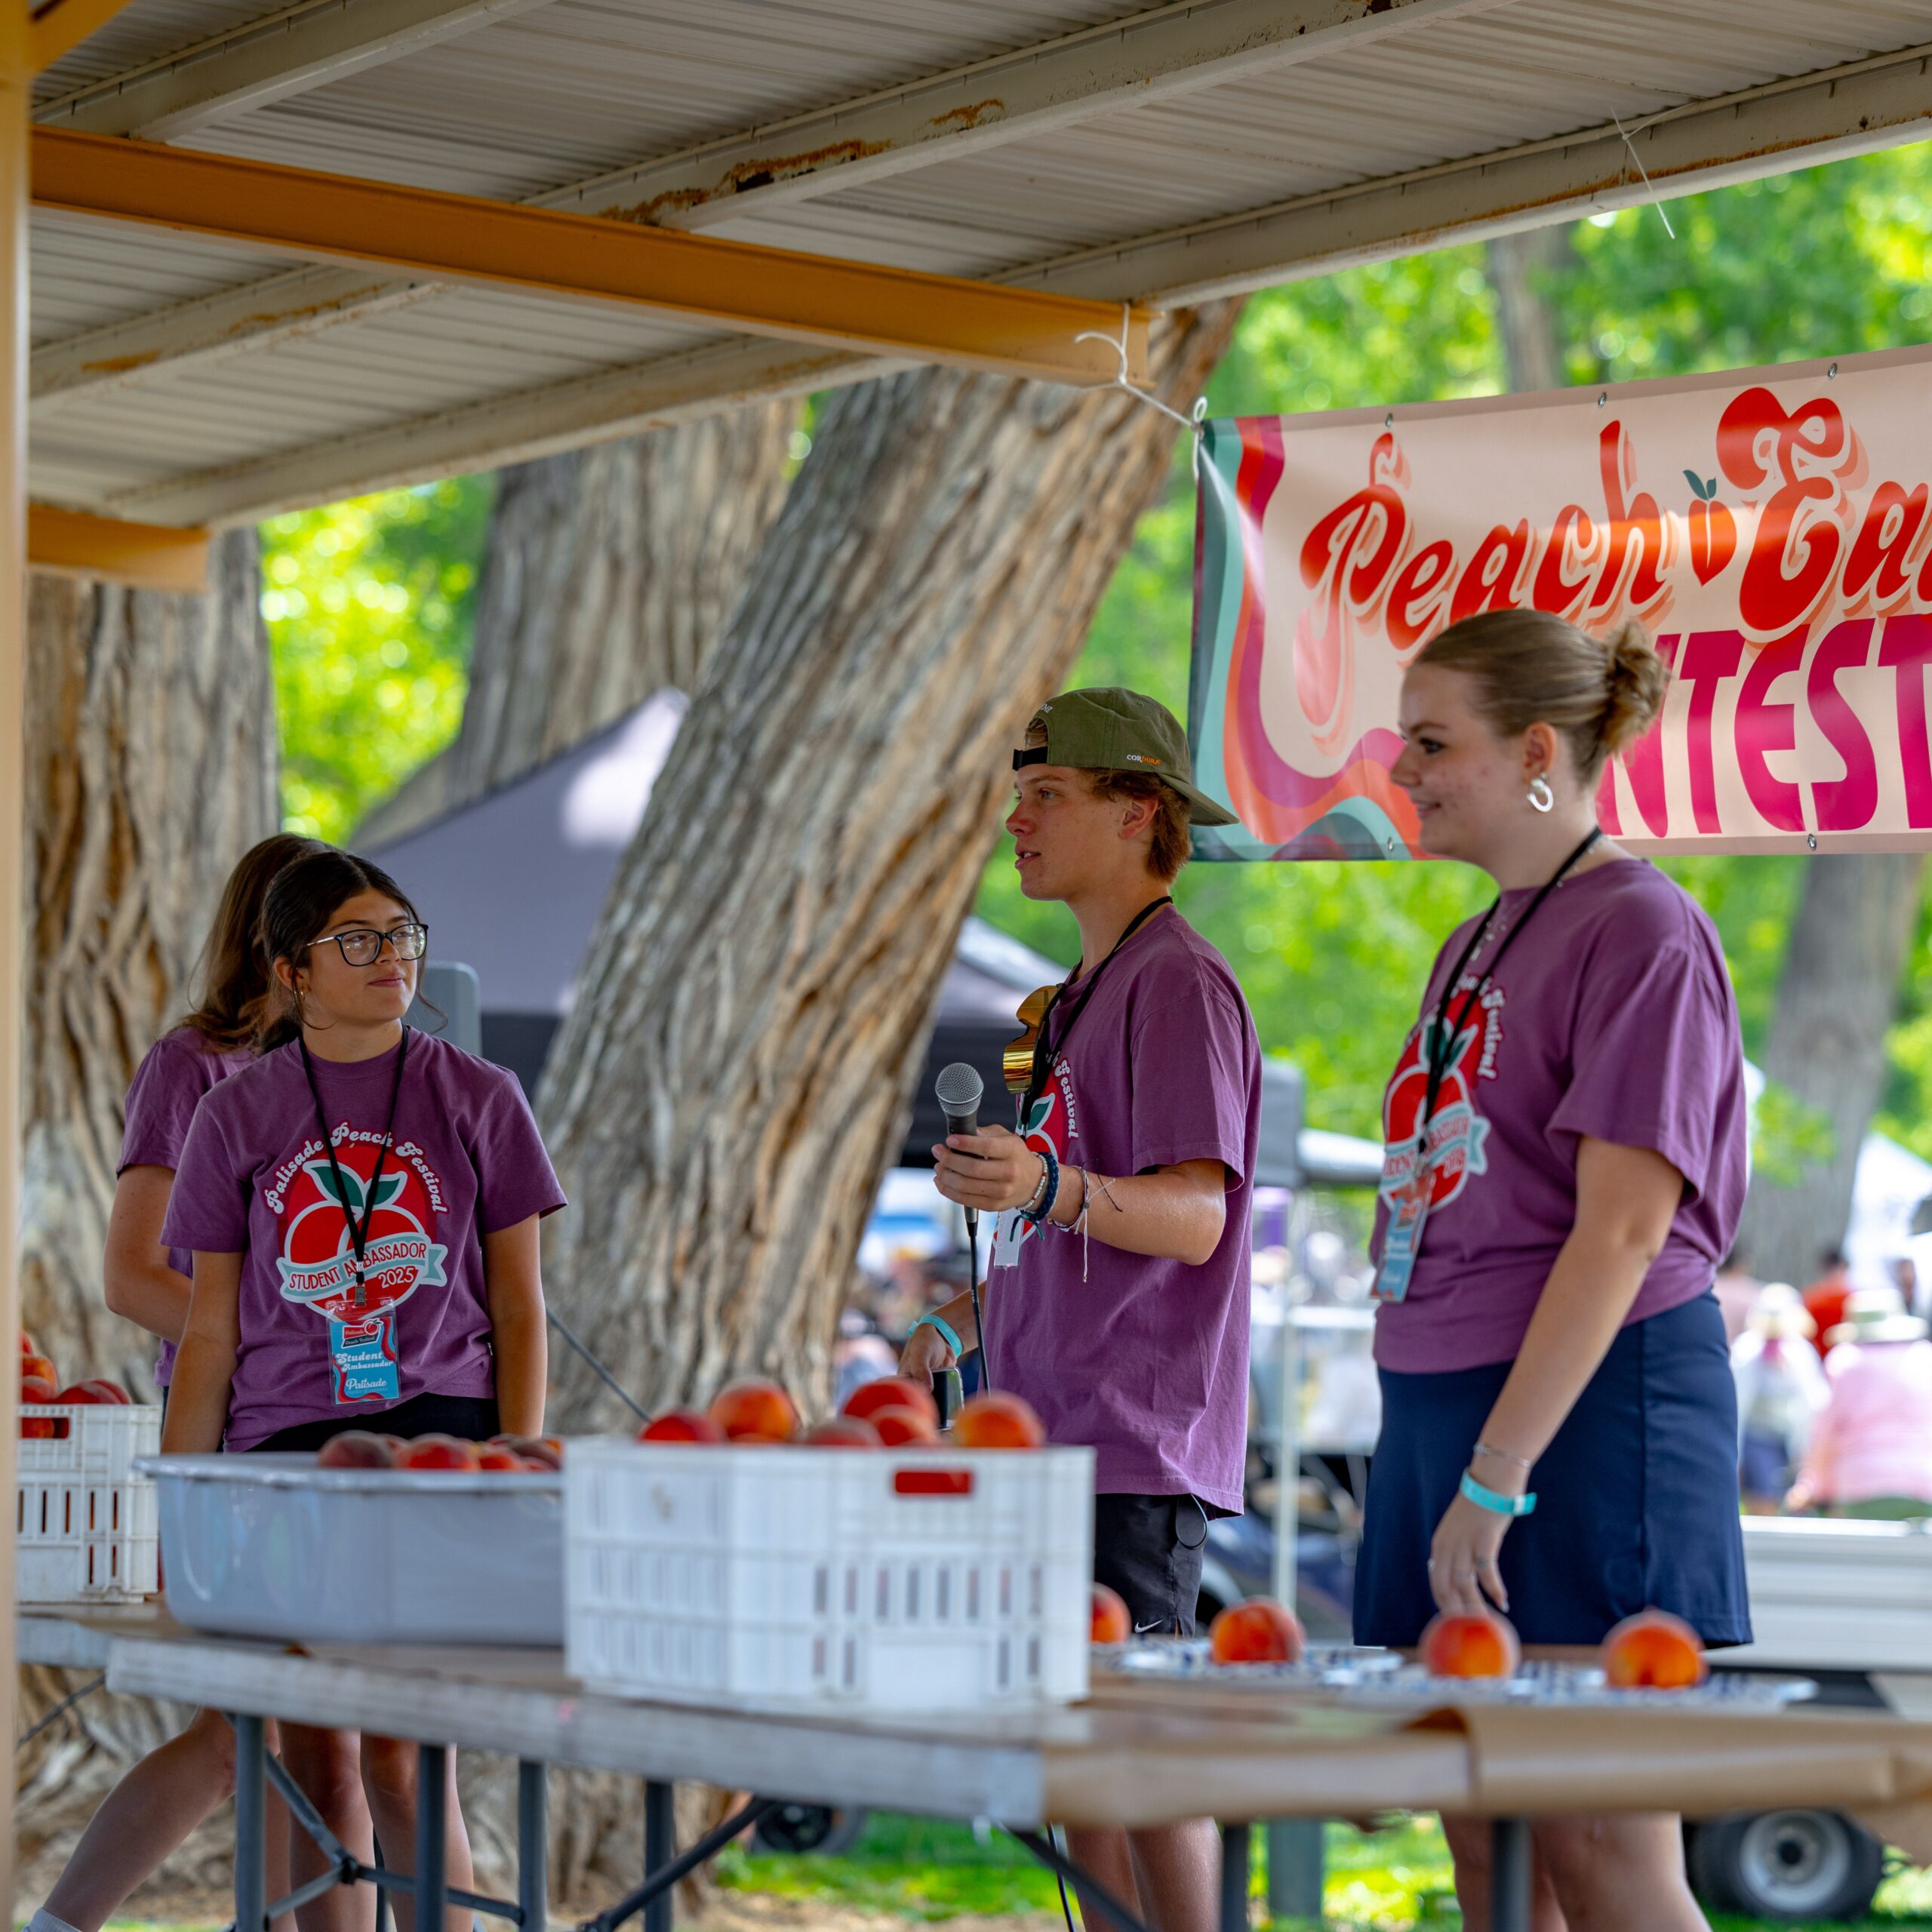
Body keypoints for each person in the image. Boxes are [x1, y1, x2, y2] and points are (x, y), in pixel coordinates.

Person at [1358, 610, 1749, 1932]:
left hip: (1585, 1417)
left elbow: (1624, 1231)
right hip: (1449, 1404)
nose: (1402, 770)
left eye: (1430, 742)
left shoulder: (1643, 927)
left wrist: (1497, 1473)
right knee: (1485, 1831)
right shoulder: (1479, 937)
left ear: (1535, 751)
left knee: (1595, 1836)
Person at [901, 688, 1260, 1932]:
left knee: (1142, 1753)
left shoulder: (1177, 983)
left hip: (1131, 1438)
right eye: (1020, 795)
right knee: (1082, 1758)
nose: (1018, 819)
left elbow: (1196, 1216)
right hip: (1049, 1431)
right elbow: (1072, 1218)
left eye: (1047, 796)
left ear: (1139, 812)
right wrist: (965, 1312)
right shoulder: (1076, 996)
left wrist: (1047, 1183)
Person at [162, 848, 566, 1932]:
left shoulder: (479, 1094)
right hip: (288, 1447)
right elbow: (208, 1334)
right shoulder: (234, 1115)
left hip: (439, 1444)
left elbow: (521, 1308)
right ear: (292, 970)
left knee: (403, 1748)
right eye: (359, 940)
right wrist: (184, 1504)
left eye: (402, 935)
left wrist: (513, 1463)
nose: (392, 959)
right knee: (311, 1746)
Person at [29, 833, 324, 1932]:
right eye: (346, 935)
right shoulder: (193, 1065)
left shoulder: (364, 1081)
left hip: (348, 1439)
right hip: (234, 1434)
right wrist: (261, 1355)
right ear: (280, 943)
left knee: (293, 1730)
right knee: (251, 1728)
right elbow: (131, 1274)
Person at [1786, 1286, 1932, 1518]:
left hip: (1862, 1484)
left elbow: (1826, 1430)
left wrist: (1810, 1485)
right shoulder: (1924, 1357)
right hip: (1924, 1481)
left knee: (1864, 1553)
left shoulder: (1845, 1361)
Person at [1729, 1283, 1827, 1509]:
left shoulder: (1800, 1351)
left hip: (1792, 1437)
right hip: (1756, 1437)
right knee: (1763, 1503)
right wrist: (1736, 1459)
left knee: (1794, 1505)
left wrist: (1807, 1452)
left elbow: (1813, 1401)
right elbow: (1737, 1404)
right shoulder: (1746, 1350)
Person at [1802, 1247, 1854, 1358]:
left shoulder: (1811, 1298)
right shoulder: (1853, 1299)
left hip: (1818, 1360)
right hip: (1847, 1359)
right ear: (1843, 1268)